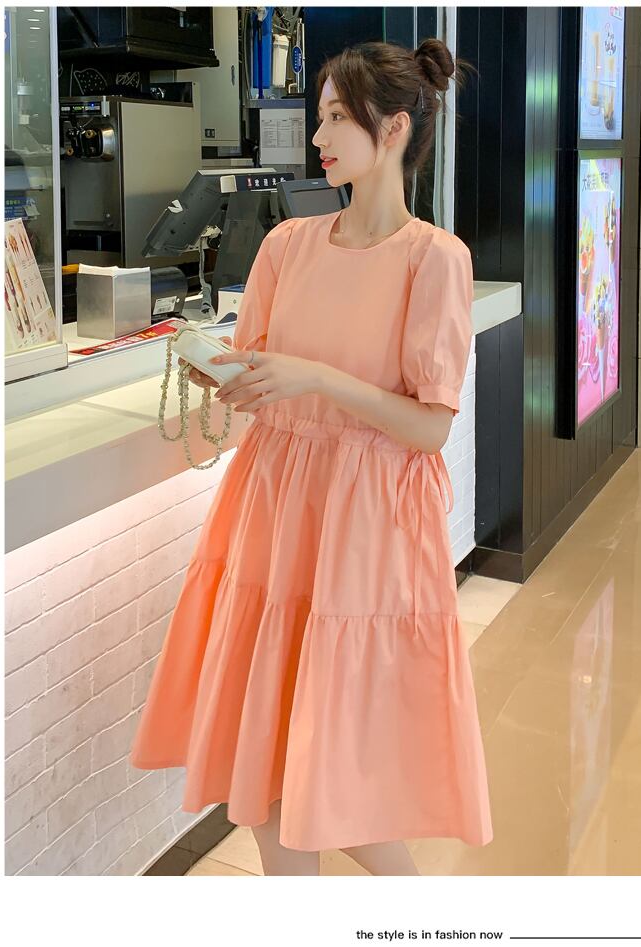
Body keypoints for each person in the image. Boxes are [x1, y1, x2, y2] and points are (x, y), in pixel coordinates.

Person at [129, 39, 493, 876]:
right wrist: (229, 375)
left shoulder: (434, 258)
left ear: (393, 129)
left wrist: (317, 378)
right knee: (263, 767)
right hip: (276, 503)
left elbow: (429, 426)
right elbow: (263, 375)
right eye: (320, 116)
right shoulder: (287, 243)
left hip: (366, 524)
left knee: (339, 767)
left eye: (336, 118)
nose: (318, 136)